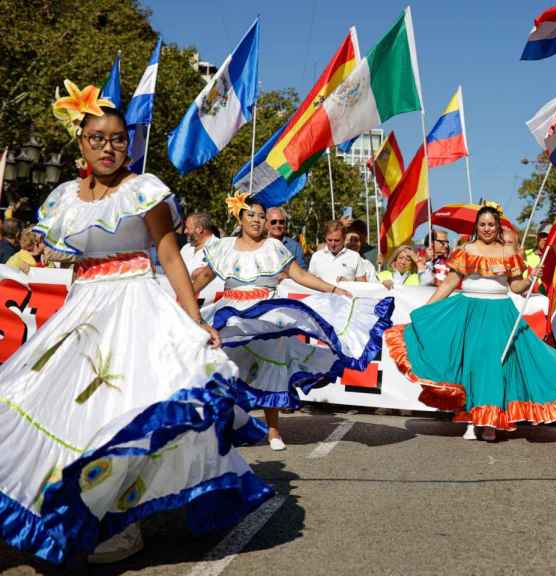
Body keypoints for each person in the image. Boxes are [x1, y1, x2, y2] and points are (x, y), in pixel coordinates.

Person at [0, 85, 270, 565]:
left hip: (135, 307)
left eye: (119, 139)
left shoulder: (144, 190)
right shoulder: (65, 198)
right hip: (83, 310)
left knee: (125, 411)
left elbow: (169, 256)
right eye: (98, 138)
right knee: (57, 408)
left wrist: (193, 321)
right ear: (80, 142)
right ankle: (66, 509)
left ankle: (122, 522)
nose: (109, 147)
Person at [192, 195, 393, 452]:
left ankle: (274, 430)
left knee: (271, 368)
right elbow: (202, 278)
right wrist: (183, 302)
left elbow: (299, 274)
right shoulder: (224, 247)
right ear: (239, 218)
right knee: (220, 366)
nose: (257, 220)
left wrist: (332, 288)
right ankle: (223, 425)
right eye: (251, 214)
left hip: (268, 314)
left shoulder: (274, 248)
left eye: (261, 216)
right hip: (231, 314)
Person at [384, 206, 556, 442]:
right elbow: (448, 284)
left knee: (496, 365)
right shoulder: (465, 250)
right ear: (477, 226)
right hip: (469, 311)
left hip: (499, 313)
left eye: (491, 225)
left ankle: (491, 420)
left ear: (498, 227)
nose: (486, 229)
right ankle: (472, 419)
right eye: (482, 224)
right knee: (472, 364)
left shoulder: (508, 252)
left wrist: (531, 278)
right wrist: (427, 310)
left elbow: (515, 287)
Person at [308, 220, 376, 284]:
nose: (333, 244)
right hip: (321, 296)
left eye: (337, 240)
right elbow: (308, 281)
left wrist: (349, 284)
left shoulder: (354, 256)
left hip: (346, 296)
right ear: (325, 238)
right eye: (329, 240)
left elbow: (363, 285)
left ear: (344, 238)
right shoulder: (316, 256)